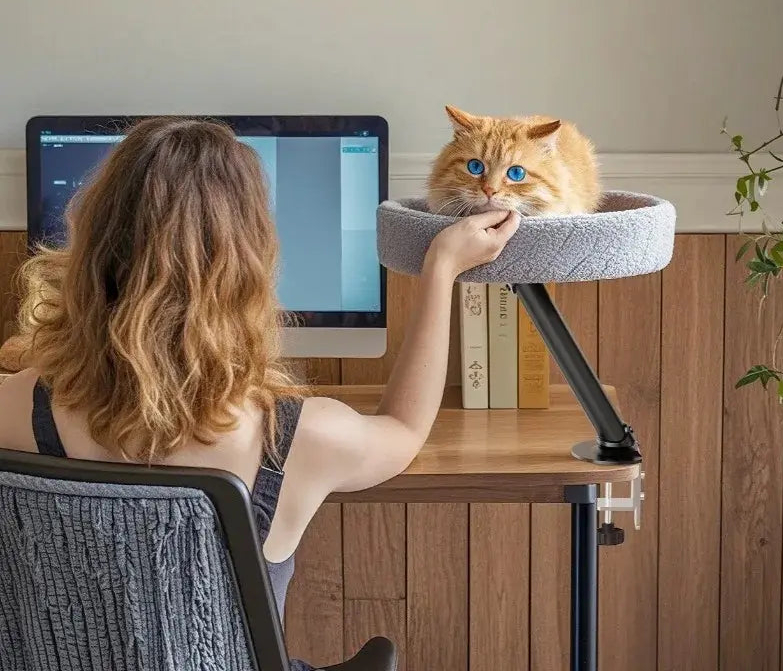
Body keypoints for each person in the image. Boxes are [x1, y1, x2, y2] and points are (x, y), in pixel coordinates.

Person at [0, 117, 520, 669]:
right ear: (251, 264)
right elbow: (405, 432)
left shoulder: (10, 410)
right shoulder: (300, 437)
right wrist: (440, 269)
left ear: (89, 242)